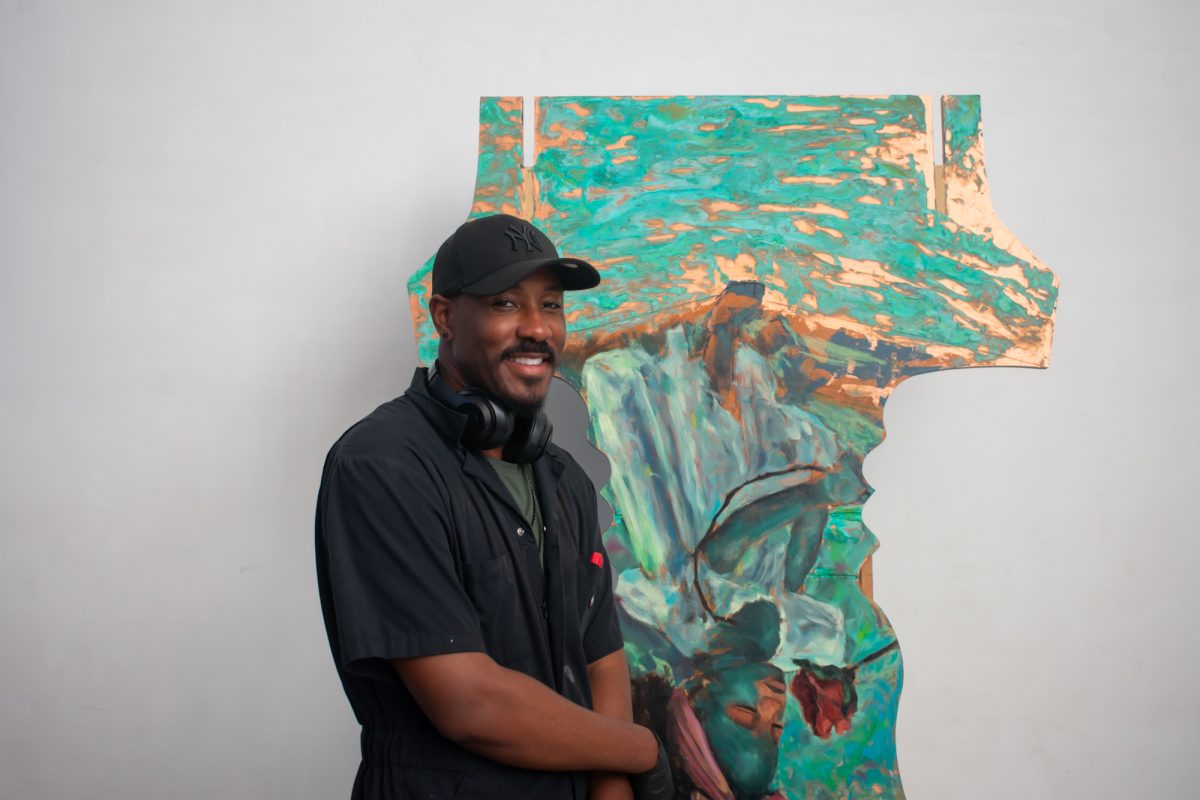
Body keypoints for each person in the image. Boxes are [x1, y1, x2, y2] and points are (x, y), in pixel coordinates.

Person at [315, 214, 673, 800]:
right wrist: (642, 750)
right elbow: (469, 702)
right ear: (446, 318)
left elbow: (601, 658)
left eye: (551, 305)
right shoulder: (382, 466)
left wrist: (614, 789)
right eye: (507, 304)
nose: (537, 328)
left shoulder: (565, 480)